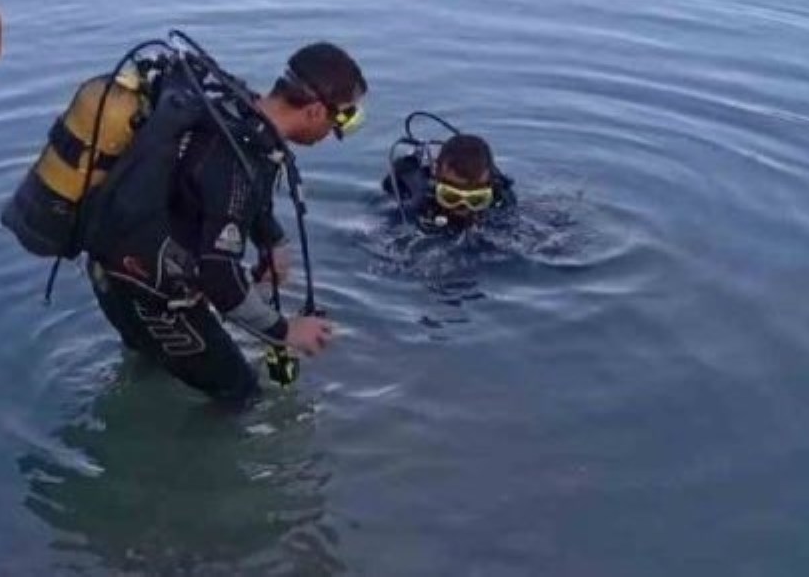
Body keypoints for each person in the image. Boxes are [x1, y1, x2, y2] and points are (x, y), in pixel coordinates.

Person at [84, 42, 368, 405]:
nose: (335, 132)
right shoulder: (239, 159)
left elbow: (214, 193)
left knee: (152, 363)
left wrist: (272, 241)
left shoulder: (236, 111)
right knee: (240, 394)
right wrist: (285, 331)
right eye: (341, 119)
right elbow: (219, 278)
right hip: (150, 296)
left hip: (110, 271)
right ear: (314, 111)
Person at [384, 131, 515, 233]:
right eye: (450, 196)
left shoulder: (501, 199)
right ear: (435, 176)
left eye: (476, 199)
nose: (463, 208)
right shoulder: (417, 196)